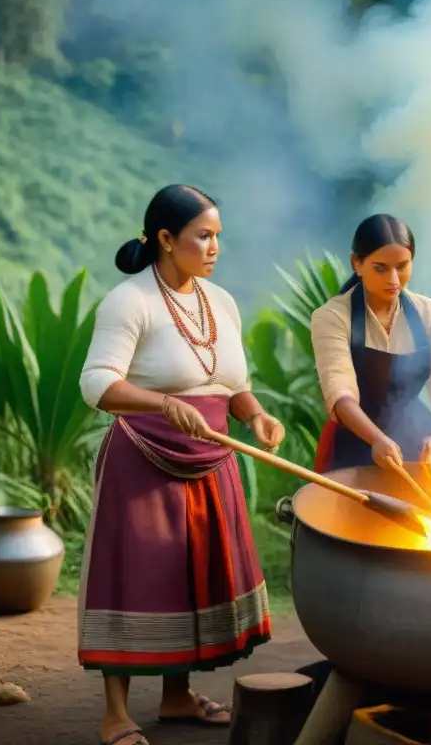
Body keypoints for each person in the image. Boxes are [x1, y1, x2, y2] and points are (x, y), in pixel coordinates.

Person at [77, 184, 285, 745]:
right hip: (144, 458)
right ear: (166, 240)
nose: (216, 247)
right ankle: (115, 714)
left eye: (219, 236)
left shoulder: (221, 302)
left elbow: (231, 384)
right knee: (134, 576)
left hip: (211, 456)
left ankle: (175, 698)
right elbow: (96, 383)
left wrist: (256, 416)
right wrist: (162, 402)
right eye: (204, 236)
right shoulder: (129, 301)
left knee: (188, 576)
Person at [310, 213, 431, 472]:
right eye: (381, 268)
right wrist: (377, 439)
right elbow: (341, 393)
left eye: (402, 267)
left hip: (418, 440)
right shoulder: (332, 317)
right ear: (356, 263)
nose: (394, 281)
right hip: (356, 438)